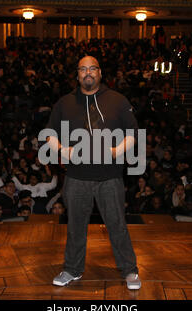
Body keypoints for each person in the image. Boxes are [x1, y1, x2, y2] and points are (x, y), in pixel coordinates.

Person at [46, 55, 141, 290]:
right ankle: (72, 269)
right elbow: (48, 133)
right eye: (82, 69)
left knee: (117, 225)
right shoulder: (64, 103)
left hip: (110, 177)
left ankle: (130, 271)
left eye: (92, 69)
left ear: (100, 73)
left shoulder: (118, 100)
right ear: (77, 74)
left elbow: (133, 132)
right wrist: (61, 150)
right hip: (77, 177)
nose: (87, 73)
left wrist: (116, 150)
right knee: (75, 226)